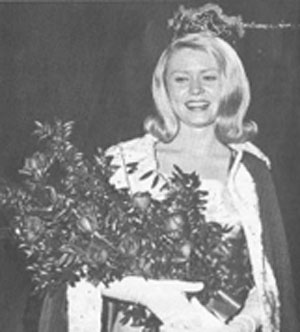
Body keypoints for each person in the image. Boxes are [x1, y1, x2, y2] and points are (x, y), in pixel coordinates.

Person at [38, 5, 298, 332]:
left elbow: (268, 280)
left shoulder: (250, 173)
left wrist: (243, 323)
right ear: (164, 87)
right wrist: (151, 295)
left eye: (208, 77)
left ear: (229, 85)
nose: (195, 91)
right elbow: (77, 268)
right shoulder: (123, 162)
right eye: (181, 79)